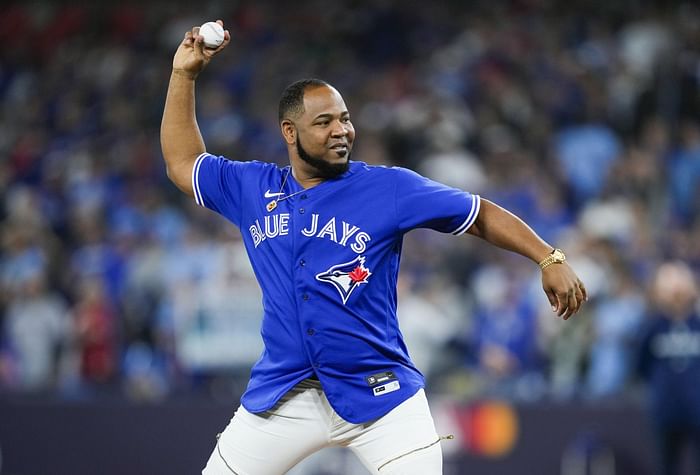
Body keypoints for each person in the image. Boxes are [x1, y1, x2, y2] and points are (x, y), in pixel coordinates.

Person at [160, 20, 587, 475]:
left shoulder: (389, 188)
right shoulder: (253, 188)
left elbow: (478, 214)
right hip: (285, 392)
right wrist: (183, 76)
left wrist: (548, 256)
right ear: (289, 132)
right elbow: (183, 162)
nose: (341, 130)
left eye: (344, 118)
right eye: (323, 122)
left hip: (380, 391)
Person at [637, 262, 700, 475]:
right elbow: (640, 364)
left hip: (697, 407)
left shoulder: (697, 323)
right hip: (665, 409)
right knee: (666, 464)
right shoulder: (653, 325)